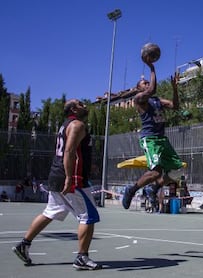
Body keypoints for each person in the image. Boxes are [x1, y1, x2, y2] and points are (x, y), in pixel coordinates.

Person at [12, 99, 102, 270]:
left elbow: (70, 151)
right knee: (88, 216)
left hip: (56, 174)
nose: (85, 106)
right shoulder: (77, 125)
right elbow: (68, 151)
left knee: (50, 212)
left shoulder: (64, 125)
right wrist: (69, 177)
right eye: (81, 104)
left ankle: (24, 244)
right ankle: (82, 257)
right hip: (72, 178)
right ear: (75, 109)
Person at [122, 59, 183, 210]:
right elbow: (152, 90)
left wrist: (175, 88)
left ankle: (153, 188)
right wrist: (152, 68)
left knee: (177, 170)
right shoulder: (139, 99)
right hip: (150, 139)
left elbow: (175, 106)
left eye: (147, 82)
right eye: (144, 84)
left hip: (162, 139)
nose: (147, 84)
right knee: (156, 172)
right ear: (138, 89)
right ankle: (132, 189)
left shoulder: (156, 100)